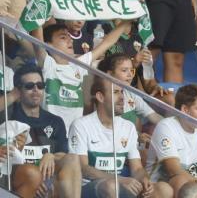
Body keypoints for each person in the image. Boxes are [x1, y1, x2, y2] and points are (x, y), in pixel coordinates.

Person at [32, 19, 131, 132]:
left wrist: (126, 22)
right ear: (48, 44)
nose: (70, 40)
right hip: (51, 132)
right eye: (63, 37)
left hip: (76, 132)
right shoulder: (48, 64)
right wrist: (40, 11)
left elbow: (108, 42)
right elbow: (37, 35)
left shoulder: (78, 65)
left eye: (69, 37)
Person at [2, 65, 81, 198]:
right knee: (32, 175)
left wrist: (51, 156)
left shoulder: (55, 121)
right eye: (29, 86)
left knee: (72, 159)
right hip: (17, 177)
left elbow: (63, 154)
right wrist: (11, 96)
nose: (36, 90)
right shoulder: (8, 115)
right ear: (18, 91)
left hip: (46, 180)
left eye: (40, 85)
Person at [69, 77, 155, 198]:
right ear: (100, 97)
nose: (122, 97)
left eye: (122, 92)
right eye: (115, 92)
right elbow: (83, 168)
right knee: (110, 186)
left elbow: (137, 169)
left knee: (161, 189)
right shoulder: (81, 125)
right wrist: (119, 180)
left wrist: (144, 179)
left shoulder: (128, 127)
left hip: (118, 185)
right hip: (87, 188)